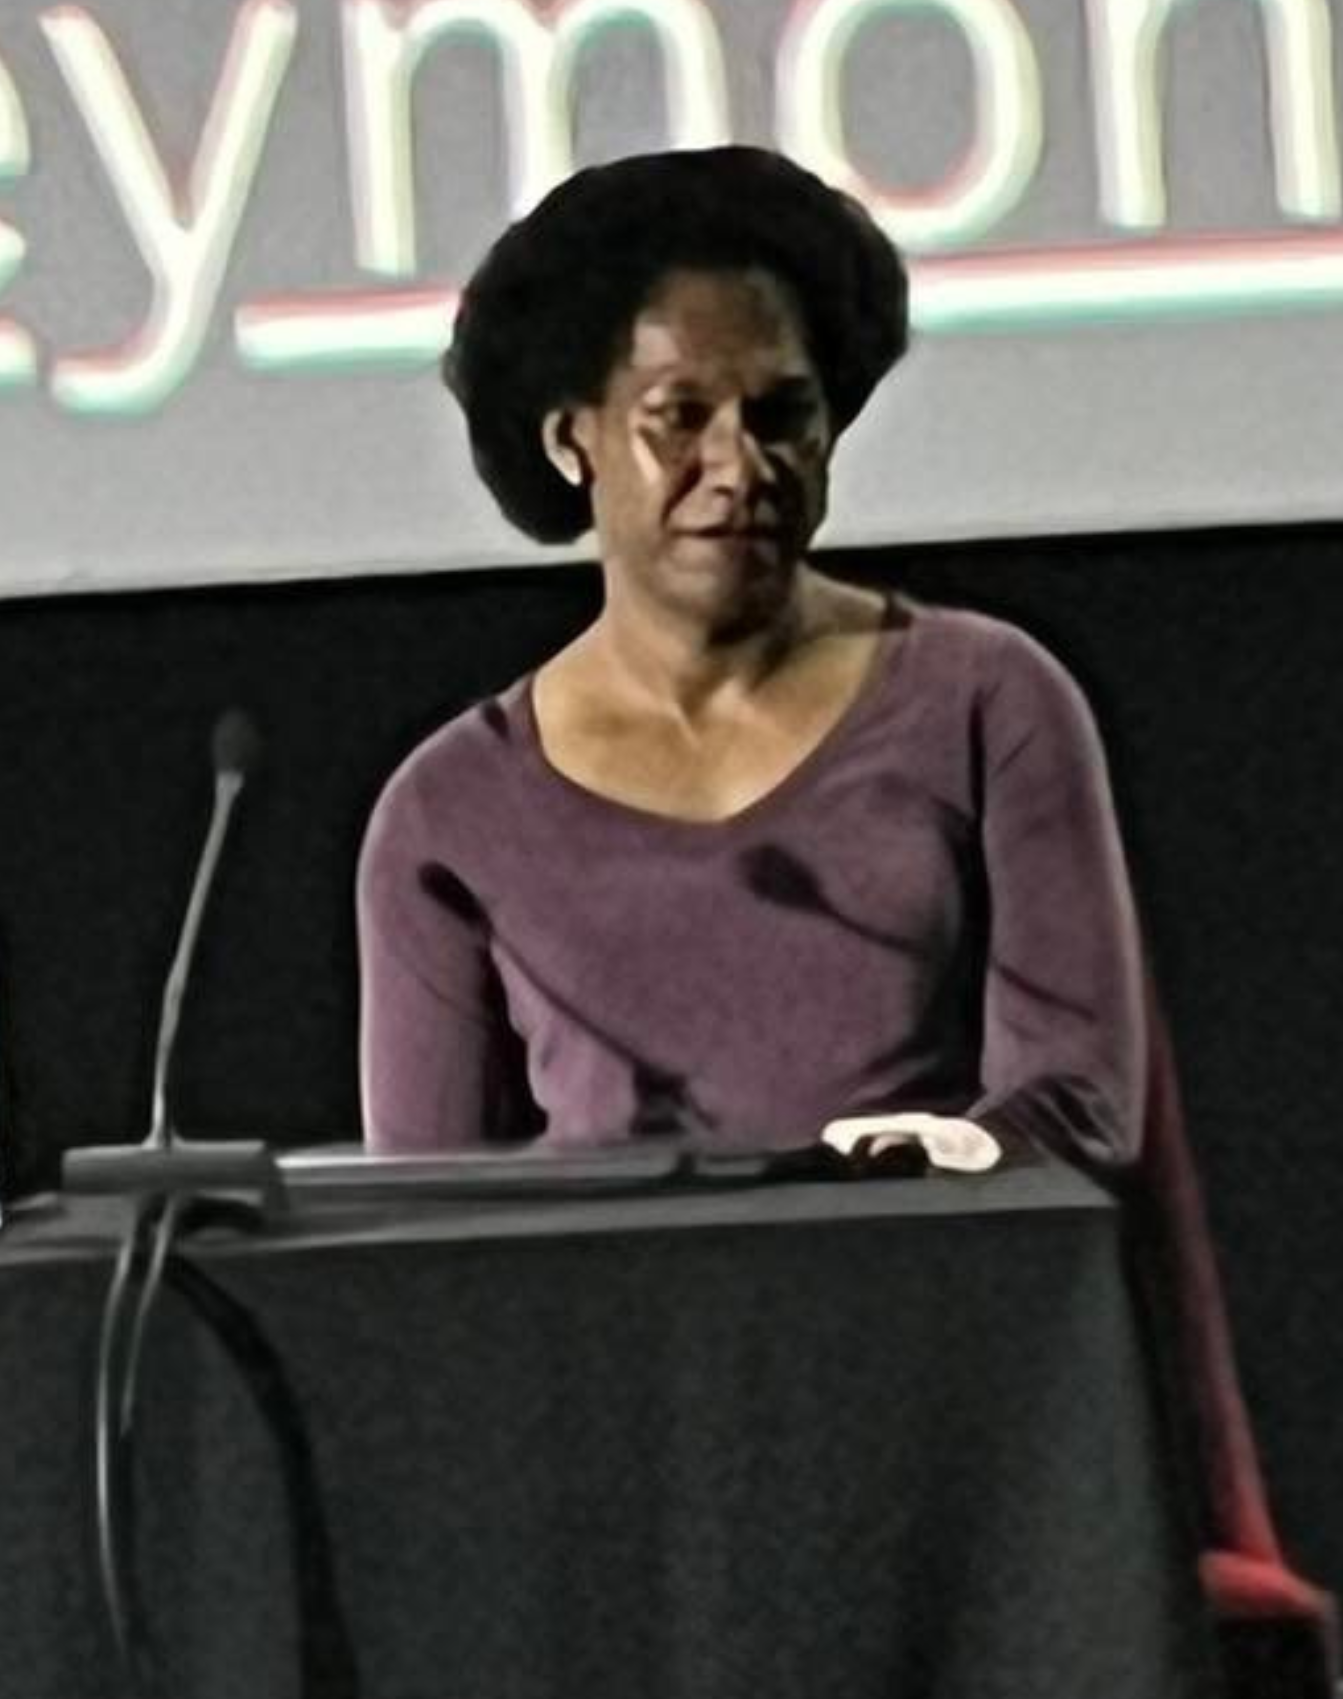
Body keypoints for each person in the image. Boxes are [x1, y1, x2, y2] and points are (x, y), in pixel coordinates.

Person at [357, 145, 1143, 1168]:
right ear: (571, 440)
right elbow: (430, 1228)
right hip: (617, 1324)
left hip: (937, 1304)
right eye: (679, 418)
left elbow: (1078, 1107)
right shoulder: (448, 813)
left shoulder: (986, 701)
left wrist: (905, 1183)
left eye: (782, 417)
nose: (740, 466)